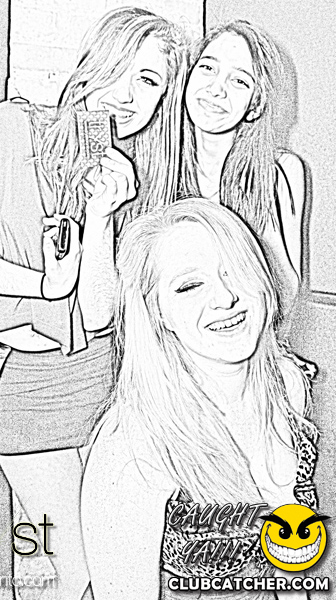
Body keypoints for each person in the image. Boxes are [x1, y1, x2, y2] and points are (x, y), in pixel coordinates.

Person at [0, 7, 188, 599]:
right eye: (119, 68)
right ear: (92, 64)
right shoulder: (11, 127)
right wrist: (42, 285)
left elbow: (97, 317)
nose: (127, 94)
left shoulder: (141, 182)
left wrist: (101, 217)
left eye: (149, 81)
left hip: (97, 384)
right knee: (77, 566)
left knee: (82, 561)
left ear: (162, 100)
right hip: (19, 382)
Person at [81, 199, 319, 600]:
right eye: (190, 286)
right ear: (156, 312)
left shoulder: (285, 384)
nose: (225, 297)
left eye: (236, 270)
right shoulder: (133, 448)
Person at [181, 20, 305, 320]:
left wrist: (259, 211)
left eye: (239, 81)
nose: (216, 89)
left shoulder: (283, 170)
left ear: (255, 105)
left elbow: (286, 298)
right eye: (207, 68)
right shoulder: (161, 168)